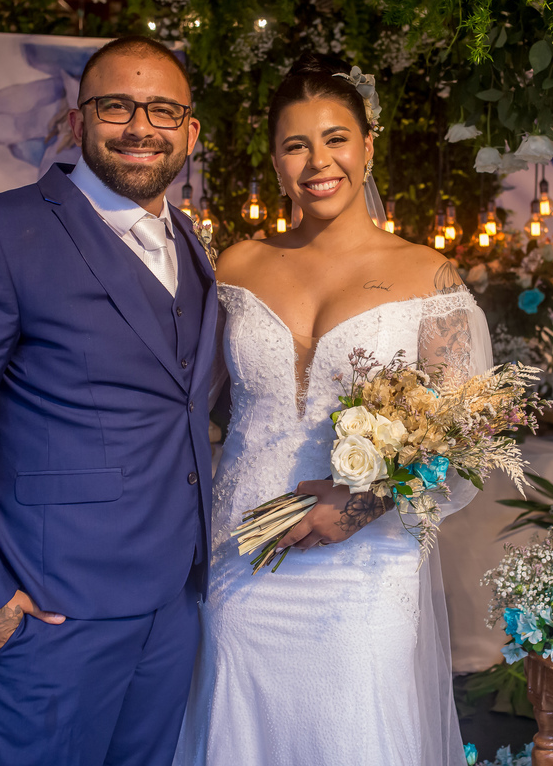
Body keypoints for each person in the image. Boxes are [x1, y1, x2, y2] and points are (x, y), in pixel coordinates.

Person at [0, 36, 216, 766]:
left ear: (190, 132)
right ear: (78, 120)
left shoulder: (189, 243)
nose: (141, 126)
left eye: (163, 109)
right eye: (116, 106)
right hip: (53, 611)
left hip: (176, 598)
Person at [174, 52, 493, 766]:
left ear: (369, 147)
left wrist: (359, 507)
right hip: (244, 552)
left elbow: (467, 439)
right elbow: (187, 403)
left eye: (336, 138)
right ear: (277, 163)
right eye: (296, 145)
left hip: (365, 569)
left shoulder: (428, 276)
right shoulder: (235, 265)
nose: (318, 160)